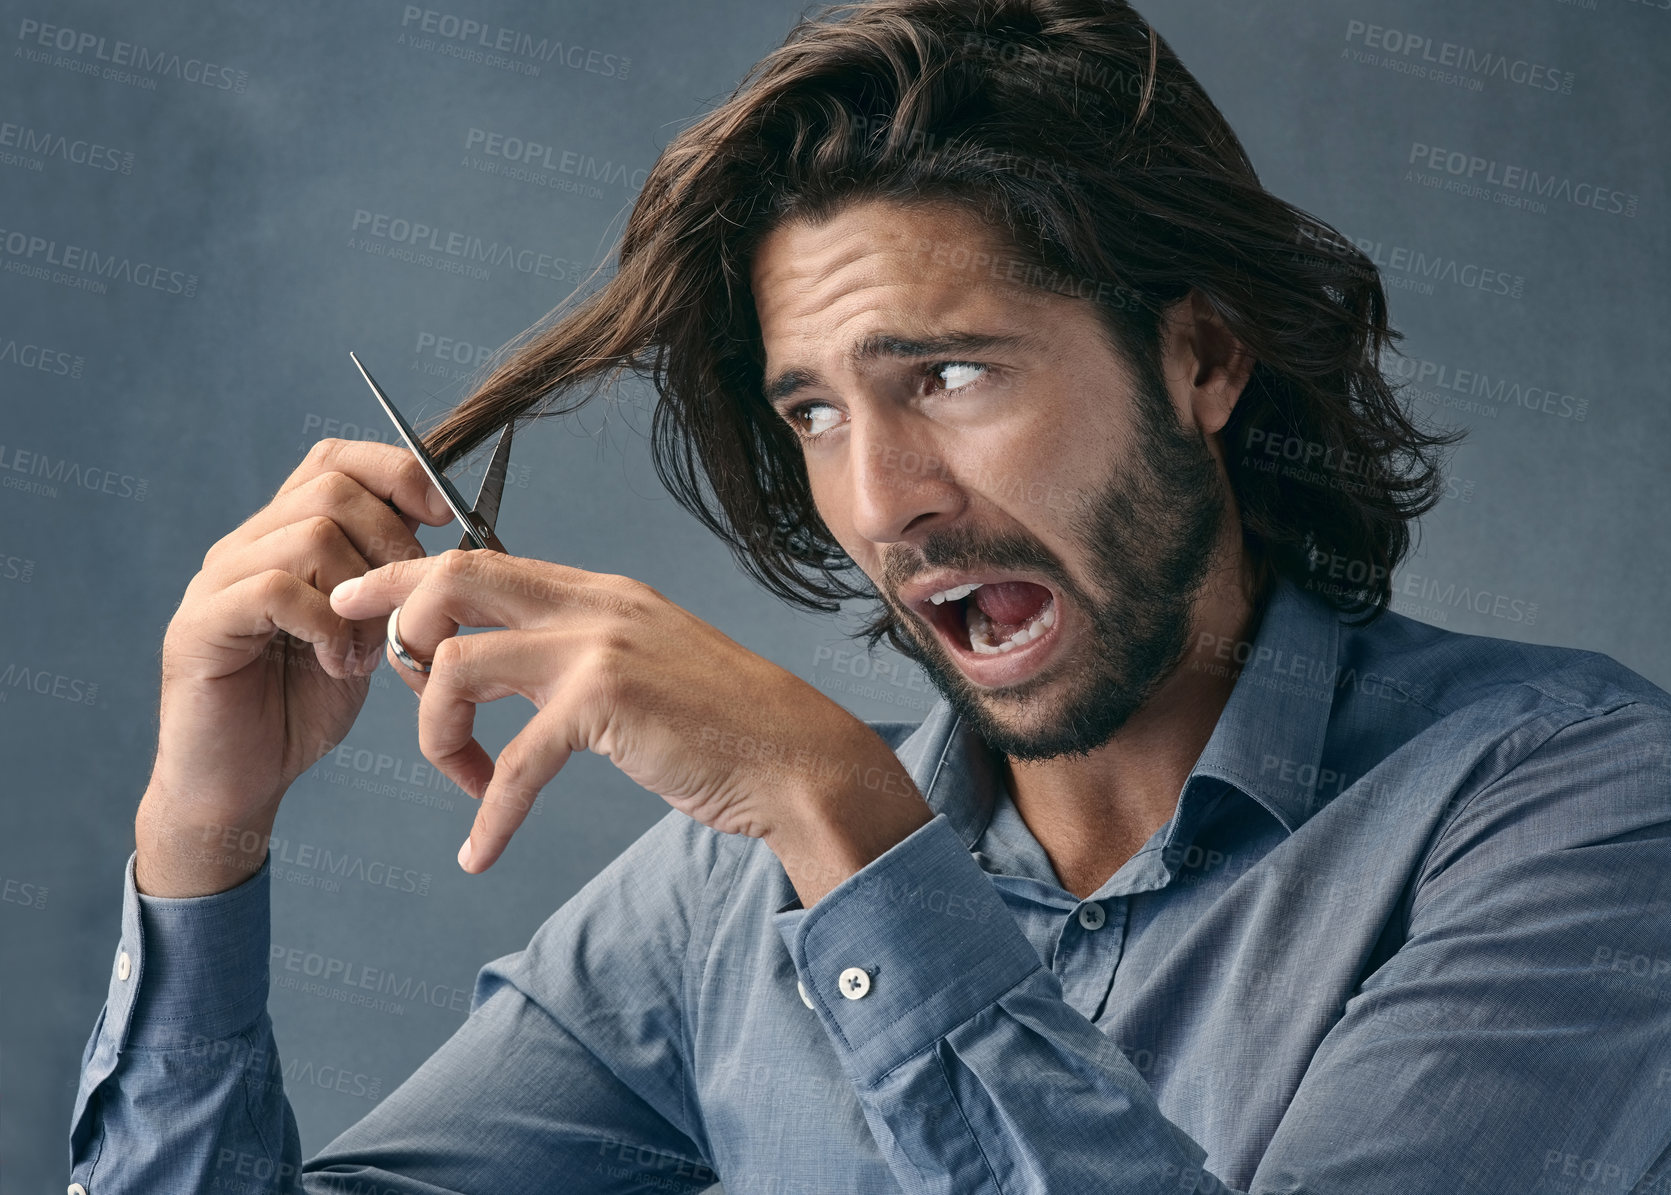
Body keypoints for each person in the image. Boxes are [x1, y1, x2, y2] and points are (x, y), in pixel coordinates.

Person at [68, 0, 1671, 1192]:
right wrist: (200, 849)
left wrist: (845, 819)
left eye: (952, 373)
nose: (883, 499)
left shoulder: (1573, 806)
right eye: (816, 412)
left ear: (1200, 358)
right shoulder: (718, 899)